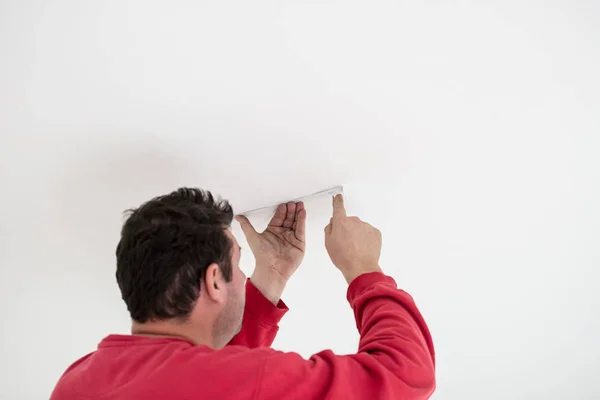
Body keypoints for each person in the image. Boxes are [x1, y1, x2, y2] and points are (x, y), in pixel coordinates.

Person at [50, 187, 436, 400]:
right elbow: (406, 376)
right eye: (238, 263)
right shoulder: (245, 382)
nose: (242, 276)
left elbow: (208, 375)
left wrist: (270, 276)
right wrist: (364, 270)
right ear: (215, 281)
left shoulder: (77, 382)